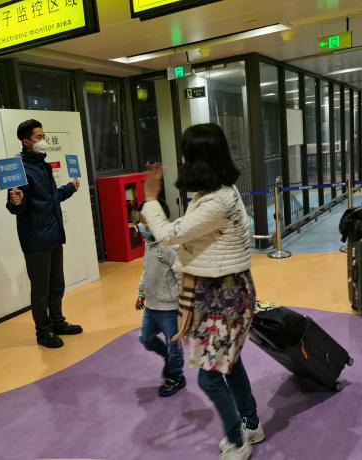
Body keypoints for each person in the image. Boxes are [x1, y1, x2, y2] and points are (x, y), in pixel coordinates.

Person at [141, 124, 264, 460]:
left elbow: (169, 235)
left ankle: (237, 441)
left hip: (225, 296)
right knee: (230, 365)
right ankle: (251, 424)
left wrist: (150, 200)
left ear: (199, 158)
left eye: (186, 155)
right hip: (219, 291)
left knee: (209, 379)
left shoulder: (217, 201)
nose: (182, 160)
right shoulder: (215, 192)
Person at [7, 119, 83, 348]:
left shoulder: (43, 165)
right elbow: (16, 206)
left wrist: (70, 187)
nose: (44, 140)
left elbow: (50, 199)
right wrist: (16, 202)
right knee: (41, 290)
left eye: (44, 136)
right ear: (26, 142)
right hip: (35, 238)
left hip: (53, 234)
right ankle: (43, 332)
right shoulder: (19, 169)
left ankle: (58, 322)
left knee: (57, 285)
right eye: (39, 137)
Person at [135, 201, 186, 397]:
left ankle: (176, 376)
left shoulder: (169, 246)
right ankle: (168, 358)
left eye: (146, 222)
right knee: (146, 338)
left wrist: (184, 303)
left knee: (174, 344)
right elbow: (147, 270)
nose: (142, 226)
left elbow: (182, 273)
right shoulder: (149, 243)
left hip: (169, 308)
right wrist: (141, 292)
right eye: (141, 221)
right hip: (151, 305)